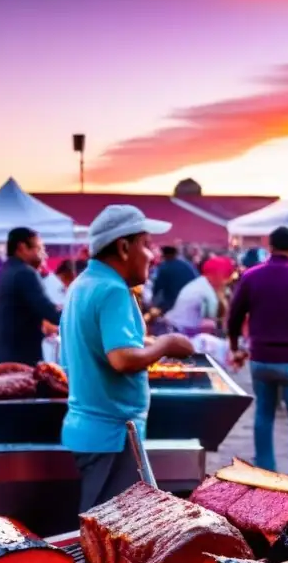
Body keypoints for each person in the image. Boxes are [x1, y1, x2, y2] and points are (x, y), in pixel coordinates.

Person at [60, 205, 194, 510]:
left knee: (103, 522)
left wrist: (146, 342)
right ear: (123, 247)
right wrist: (166, 344)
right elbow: (121, 358)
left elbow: (78, 351)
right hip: (113, 435)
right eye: (145, 245)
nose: (152, 255)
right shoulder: (112, 290)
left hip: (89, 431)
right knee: (112, 530)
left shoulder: (82, 285)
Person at [228, 227, 288, 480]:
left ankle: (265, 469)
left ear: (269, 247)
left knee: (264, 413)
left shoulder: (251, 277)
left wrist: (234, 346)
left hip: (262, 358)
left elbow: (234, 316)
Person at [0, 227, 62, 366]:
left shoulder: (1, 273)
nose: (44, 255)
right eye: (39, 249)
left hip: (0, 358)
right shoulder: (25, 273)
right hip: (21, 360)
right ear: (22, 248)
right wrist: (77, 317)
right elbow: (49, 312)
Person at [164, 256, 232, 336]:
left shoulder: (200, 282)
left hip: (172, 324)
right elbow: (209, 322)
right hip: (181, 331)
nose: (226, 281)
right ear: (218, 274)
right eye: (225, 277)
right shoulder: (207, 293)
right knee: (211, 325)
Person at [149, 246, 197, 314]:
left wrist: (152, 300)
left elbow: (157, 286)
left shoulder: (164, 267)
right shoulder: (187, 265)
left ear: (164, 255)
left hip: (173, 303)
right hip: (191, 301)